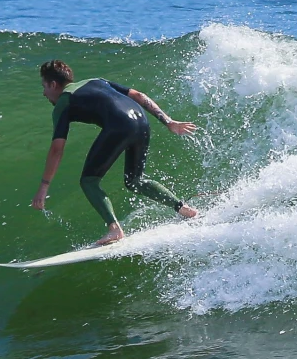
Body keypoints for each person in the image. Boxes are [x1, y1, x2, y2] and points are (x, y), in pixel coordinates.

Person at [29, 59, 201, 246]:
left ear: (53, 84)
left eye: (44, 87)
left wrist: (44, 187)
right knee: (135, 181)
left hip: (119, 125)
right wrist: (168, 122)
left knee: (88, 181)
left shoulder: (64, 100)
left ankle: (114, 229)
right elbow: (138, 95)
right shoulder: (96, 81)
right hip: (141, 121)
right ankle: (184, 209)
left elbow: (57, 149)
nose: (44, 93)